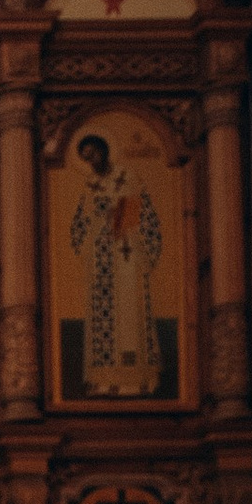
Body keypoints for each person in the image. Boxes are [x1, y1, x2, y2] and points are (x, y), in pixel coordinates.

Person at [68, 133, 166, 395]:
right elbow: (80, 222)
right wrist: (89, 234)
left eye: (94, 155)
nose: (92, 162)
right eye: (86, 159)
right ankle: (104, 379)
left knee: (130, 311)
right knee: (102, 318)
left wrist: (116, 214)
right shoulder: (89, 184)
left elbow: (141, 215)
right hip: (100, 260)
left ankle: (139, 379)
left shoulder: (128, 176)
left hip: (127, 255)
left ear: (105, 150)